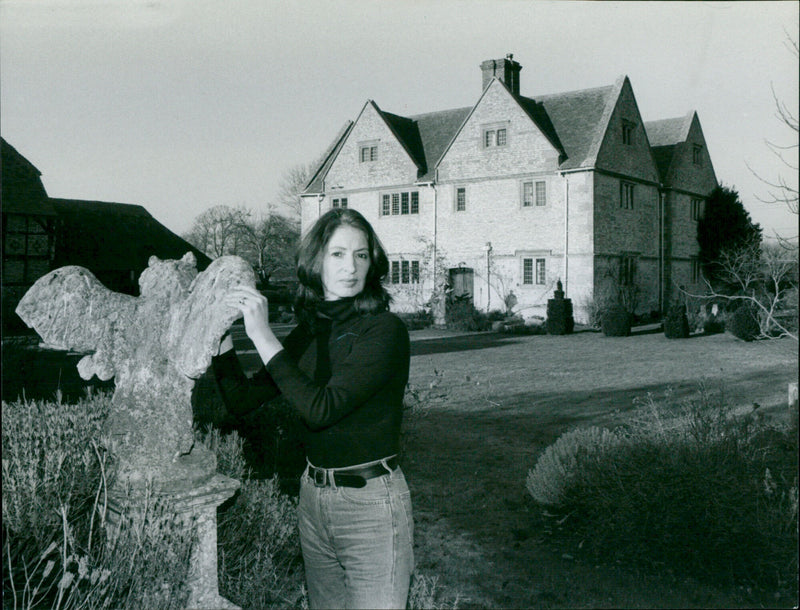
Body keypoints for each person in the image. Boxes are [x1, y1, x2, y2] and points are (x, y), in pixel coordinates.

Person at [212, 208, 413, 609]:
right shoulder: (311, 330)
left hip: (370, 508)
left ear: (373, 262)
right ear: (316, 261)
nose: (351, 267)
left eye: (361, 255)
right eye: (338, 254)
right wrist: (221, 337)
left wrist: (264, 335)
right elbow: (241, 400)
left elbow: (321, 409)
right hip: (313, 500)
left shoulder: (384, 330)